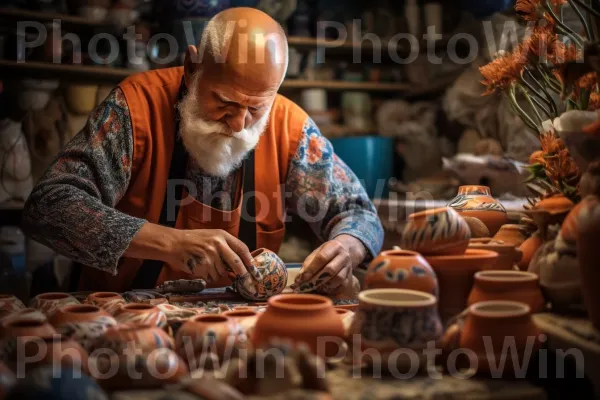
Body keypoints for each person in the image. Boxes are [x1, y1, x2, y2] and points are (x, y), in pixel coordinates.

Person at [22, 7, 384, 295]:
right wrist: (170, 243)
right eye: (225, 101)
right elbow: (49, 206)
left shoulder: (290, 126)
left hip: (237, 331)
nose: (239, 124)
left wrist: (347, 247)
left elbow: (357, 212)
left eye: (256, 108)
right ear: (193, 67)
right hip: (124, 325)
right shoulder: (136, 107)